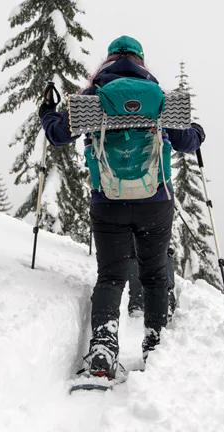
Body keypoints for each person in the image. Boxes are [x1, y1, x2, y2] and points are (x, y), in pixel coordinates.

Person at [38, 36, 204, 379]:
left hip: (108, 202)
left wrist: (47, 111)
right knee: (155, 275)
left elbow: (57, 135)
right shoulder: (158, 97)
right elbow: (187, 141)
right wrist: (198, 132)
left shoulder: (93, 98)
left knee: (112, 276)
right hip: (155, 202)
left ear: (109, 59)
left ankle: (103, 343)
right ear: (141, 61)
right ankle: (154, 343)